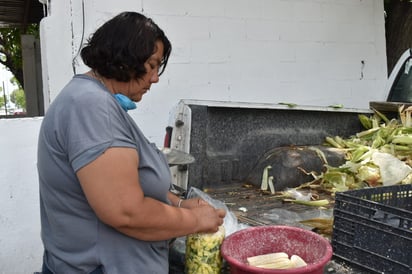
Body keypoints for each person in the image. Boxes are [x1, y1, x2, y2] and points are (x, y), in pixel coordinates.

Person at [37, 11, 226, 274]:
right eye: (151, 64)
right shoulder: (91, 107)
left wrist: (178, 203)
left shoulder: (97, 102)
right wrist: (194, 220)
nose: (156, 77)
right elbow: (125, 211)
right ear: (125, 59)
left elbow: (130, 183)